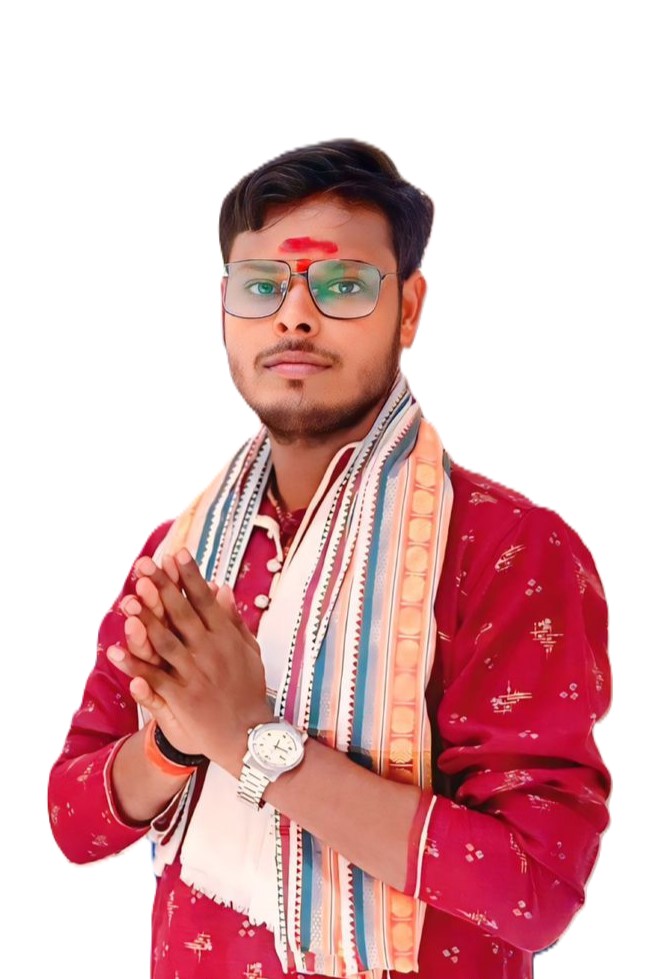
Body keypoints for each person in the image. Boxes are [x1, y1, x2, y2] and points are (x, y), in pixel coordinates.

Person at [48, 139, 611, 979]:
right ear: (225, 310)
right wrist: (173, 741)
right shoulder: (180, 555)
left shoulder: (507, 550)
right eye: (261, 286)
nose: (294, 316)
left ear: (409, 309)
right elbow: (73, 819)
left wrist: (251, 741)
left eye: (343, 285)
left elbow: (537, 889)